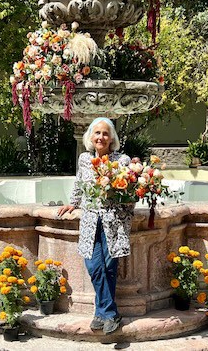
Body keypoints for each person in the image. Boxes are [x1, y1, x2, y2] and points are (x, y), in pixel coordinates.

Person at [57, 117, 133, 335]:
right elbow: (80, 184)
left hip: (113, 221)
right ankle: (111, 313)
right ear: (91, 136)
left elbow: (127, 192)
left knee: (109, 267)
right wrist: (73, 202)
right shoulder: (84, 159)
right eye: (97, 133)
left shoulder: (122, 160)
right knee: (93, 266)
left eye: (105, 133)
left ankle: (101, 314)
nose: (101, 137)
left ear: (112, 138)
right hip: (90, 220)